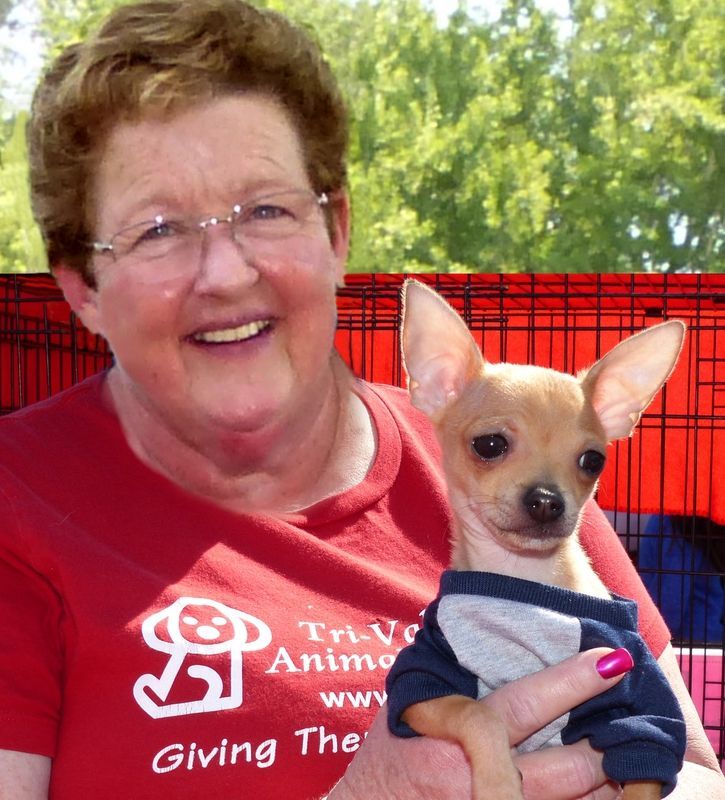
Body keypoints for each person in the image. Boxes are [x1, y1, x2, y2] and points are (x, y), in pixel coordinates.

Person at [0, 1, 722, 798]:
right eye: (158, 229)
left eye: (266, 210)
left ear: (336, 230)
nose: (226, 272)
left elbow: (686, 771)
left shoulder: (505, 460)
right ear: (82, 288)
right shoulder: (19, 503)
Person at [640, 515, 725, 644]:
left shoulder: (673, 523)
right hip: (705, 635)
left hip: (676, 639)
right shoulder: (701, 523)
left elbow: (671, 597)